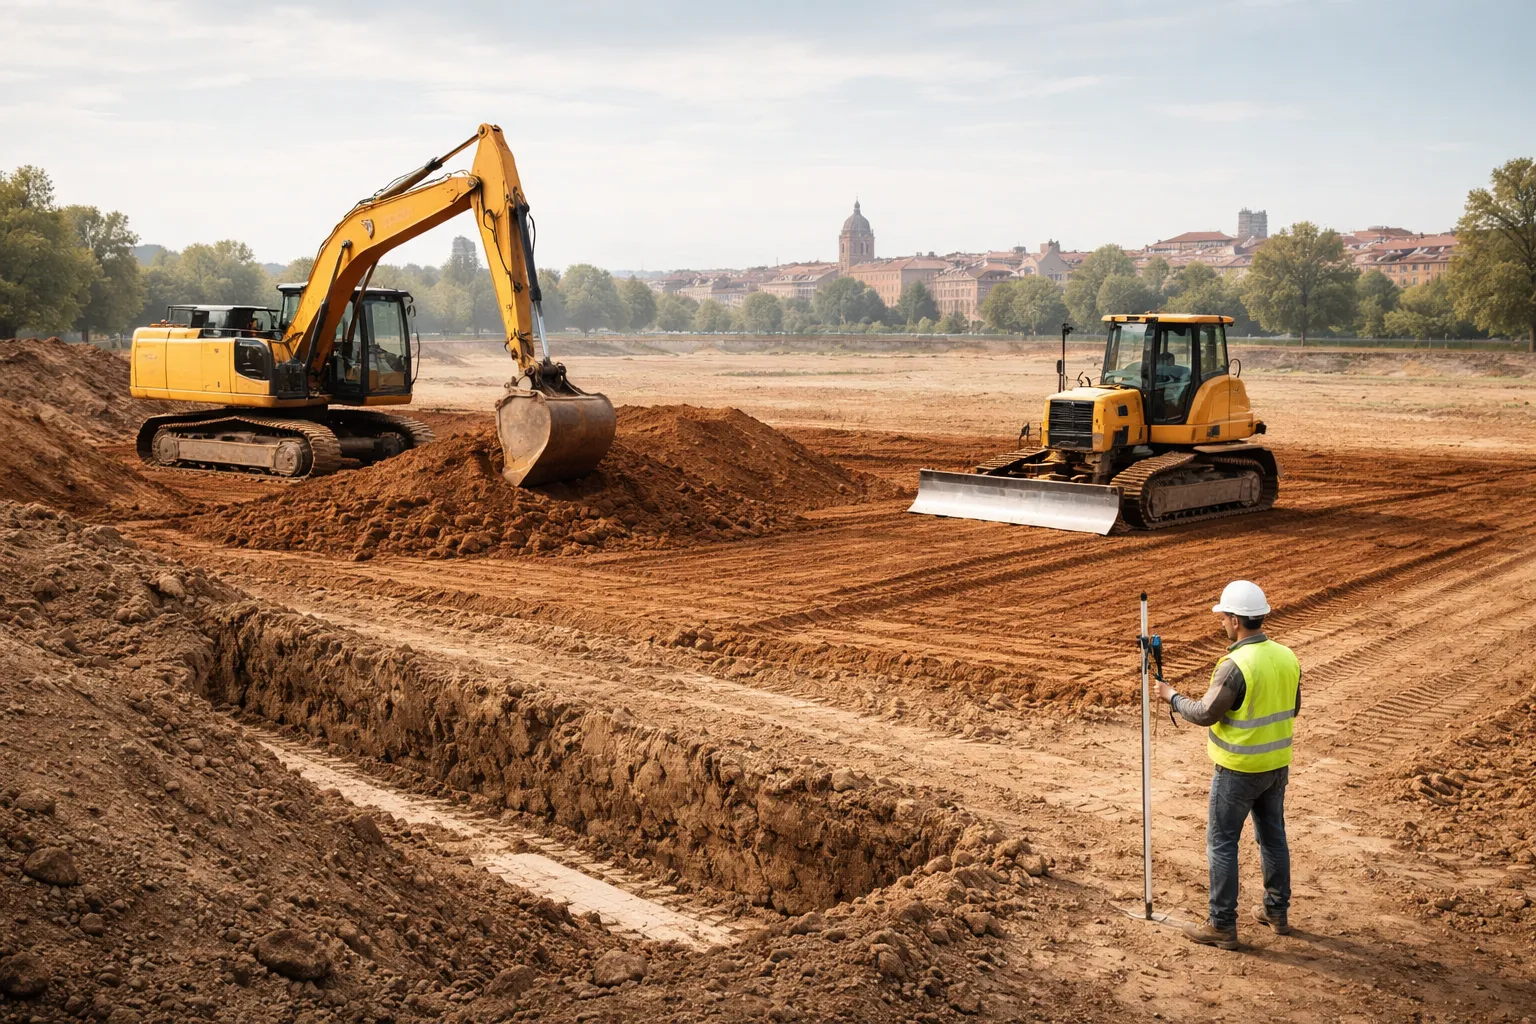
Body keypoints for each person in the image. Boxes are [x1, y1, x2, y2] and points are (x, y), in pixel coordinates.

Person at [1156, 580, 1300, 950]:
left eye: (1224, 618)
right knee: (1273, 837)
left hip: (1238, 770)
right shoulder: (1286, 656)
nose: (1221, 623)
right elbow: (1293, 707)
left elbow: (1205, 713)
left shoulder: (1235, 665)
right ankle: (1277, 911)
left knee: (1222, 844)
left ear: (1236, 621)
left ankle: (1221, 925)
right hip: (1276, 767)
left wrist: (1170, 696)